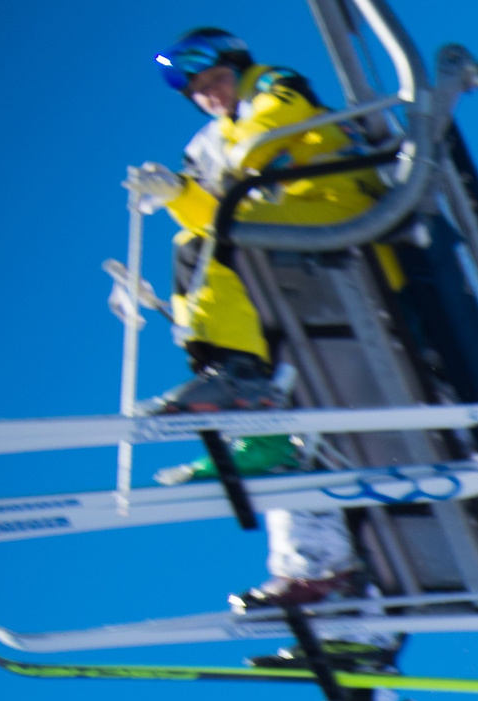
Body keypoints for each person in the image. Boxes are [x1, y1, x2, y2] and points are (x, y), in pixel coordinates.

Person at [126, 27, 393, 413]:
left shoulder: (270, 86)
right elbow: (215, 217)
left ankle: (239, 374)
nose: (211, 93)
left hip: (346, 205)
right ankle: (229, 378)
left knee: (211, 244)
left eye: (217, 78)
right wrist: (180, 193)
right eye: (199, 91)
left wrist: (240, 158)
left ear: (237, 68)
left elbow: (281, 113)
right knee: (191, 247)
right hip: (300, 227)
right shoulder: (210, 144)